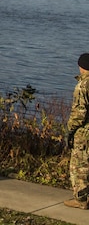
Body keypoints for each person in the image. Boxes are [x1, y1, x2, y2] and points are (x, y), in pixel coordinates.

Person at [66, 53, 89, 209]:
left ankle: (81, 200)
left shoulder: (82, 86)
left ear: (81, 67)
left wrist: (70, 129)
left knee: (79, 165)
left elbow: (79, 114)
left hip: (85, 132)